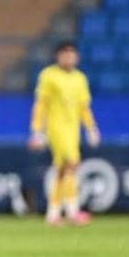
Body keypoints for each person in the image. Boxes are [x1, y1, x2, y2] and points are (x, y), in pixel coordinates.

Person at [29, 41, 99, 226]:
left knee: (63, 171)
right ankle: (72, 210)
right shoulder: (49, 75)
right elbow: (41, 104)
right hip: (56, 129)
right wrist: (37, 131)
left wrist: (91, 128)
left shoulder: (80, 78)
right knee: (72, 164)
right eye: (65, 54)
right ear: (58, 56)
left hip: (73, 130)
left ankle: (53, 213)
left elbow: (84, 107)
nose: (69, 58)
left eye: (72, 54)